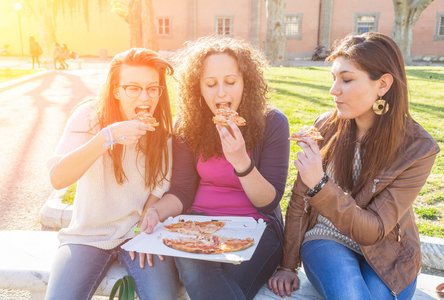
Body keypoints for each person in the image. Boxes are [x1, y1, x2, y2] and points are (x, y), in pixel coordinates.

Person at [268, 32, 440, 300]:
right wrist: (287, 264)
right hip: (327, 238)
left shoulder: (418, 148)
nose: (333, 90)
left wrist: (320, 184)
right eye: (334, 78)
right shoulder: (323, 127)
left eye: (346, 80)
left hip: (388, 251)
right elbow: (299, 201)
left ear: (382, 84)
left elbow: (373, 231)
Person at [139, 36, 290, 300]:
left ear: (247, 83)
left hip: (258, 225)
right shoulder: (187, 127)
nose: (221, 92)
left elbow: (269, 202)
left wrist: (241, 162)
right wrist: (156, 211)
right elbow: (183, 191)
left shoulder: (273, 123)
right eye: (211, 84)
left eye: (231, 82)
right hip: (197, 225)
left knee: (224, 285)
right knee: (193, 264)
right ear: (198, 88)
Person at [45, 48, 179, 300]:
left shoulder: (162, 130)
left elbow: (159, 186)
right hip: (86, 236)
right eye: (133, 88)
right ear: (116, 91)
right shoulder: (89, 117)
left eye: (152, 88)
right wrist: (109, 136)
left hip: (139, 234)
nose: (145, 97)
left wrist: (142, 229)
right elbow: (58, 178)